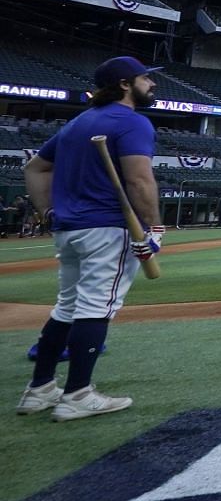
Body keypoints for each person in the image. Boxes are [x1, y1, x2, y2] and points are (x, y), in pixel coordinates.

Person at [15, 56, 163, 422]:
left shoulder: (78, 123)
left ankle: (39, 389)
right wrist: (154, 227)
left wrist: (47, 213)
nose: (153, 84)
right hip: (110, 228)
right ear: (126, 84)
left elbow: (34, 168)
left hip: (70, 229)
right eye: (146, 79)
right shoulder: (132, 122)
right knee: (96, 307)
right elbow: (140, 180)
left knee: (66, 308)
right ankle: (78, 394)